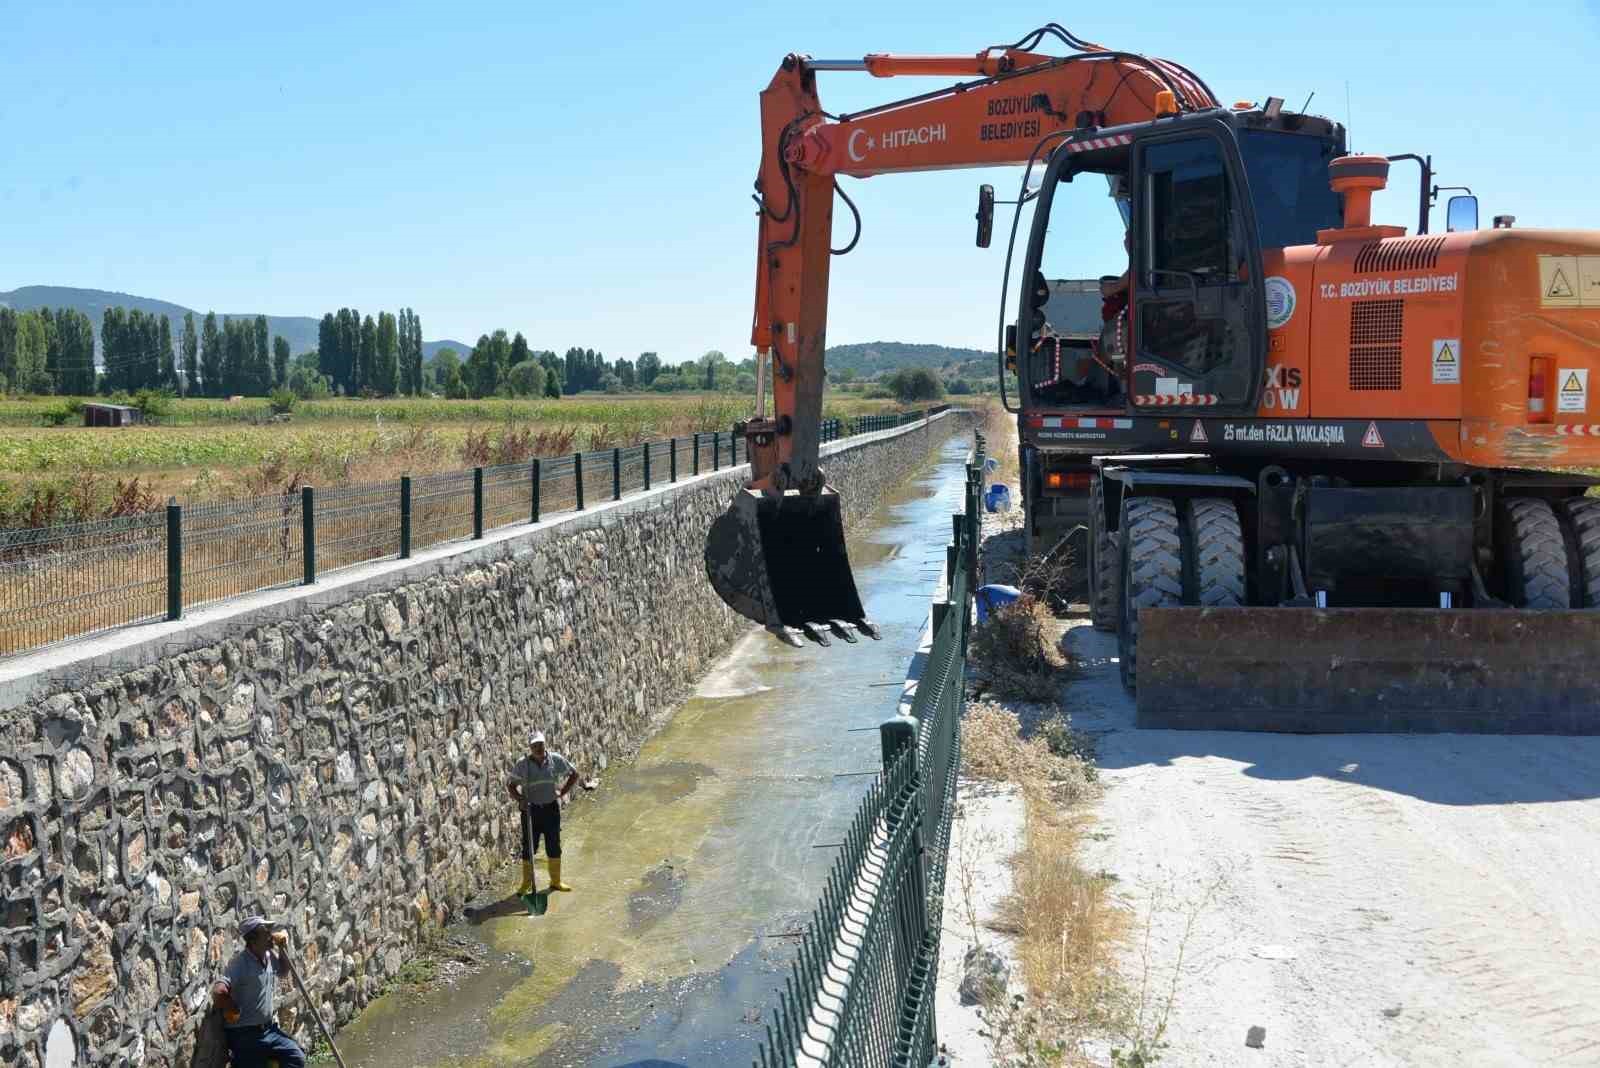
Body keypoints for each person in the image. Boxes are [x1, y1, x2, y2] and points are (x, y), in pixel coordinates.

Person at [212, 916, 305, 1068]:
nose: (270, 935)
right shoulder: (240, 963)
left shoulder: (268, 956)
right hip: (245, 1035)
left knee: (296, 1058)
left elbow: (283, 970)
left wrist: (283, 949)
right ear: (253, 939)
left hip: (268, 1030)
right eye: (265, 932)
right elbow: (218, 990)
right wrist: (231, 1007)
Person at [506, 730, 580, 895]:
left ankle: (555, 881)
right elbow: (510, 785)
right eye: (534, 746)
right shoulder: (522, 764)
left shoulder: (555, 760)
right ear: (530, 747)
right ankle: (526, 883)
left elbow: (574, 774)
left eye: (540, 744)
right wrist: (520, 799)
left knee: (553, 844)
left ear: (545, 744)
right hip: (531, 811)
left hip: (550, 809)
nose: (538, 748)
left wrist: (563, 792)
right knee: (529, 847)